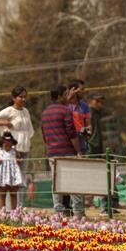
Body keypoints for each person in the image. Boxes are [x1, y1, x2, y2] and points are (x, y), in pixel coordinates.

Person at [0, 86, 34, 206]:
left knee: (21, 179)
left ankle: (19, 208)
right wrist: (5, 122)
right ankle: (9, 210)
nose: (23, 99)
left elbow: (29, 130)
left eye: (25, 97)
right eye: (20, 97)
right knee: (11, 180)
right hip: (12, 151)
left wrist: (28, 142)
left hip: (25, 149)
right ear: (14, 98)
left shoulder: (26, 111)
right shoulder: (9, 110)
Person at [41, 85, 84, 217]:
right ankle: (78, 212)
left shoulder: (45, 113)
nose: (68, 96)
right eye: (65, 94)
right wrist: (78, 151)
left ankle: (58, 211)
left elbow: (44, 135)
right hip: (66, 151)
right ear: (59, 96)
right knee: (73, 181)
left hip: (52, 152)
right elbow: (71, 133)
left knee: (56, 182)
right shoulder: (65, 111)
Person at [0, 132, 24, 211]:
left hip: (13, 175)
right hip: (2, 175)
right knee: (2, 194)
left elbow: (19, 159)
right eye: (6, 143)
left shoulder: (14, 150)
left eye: (10, 143)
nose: (8, 145)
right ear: (2, 143)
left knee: (13, 193)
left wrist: (19, 161)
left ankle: (14, 211)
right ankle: (3, 211)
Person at [66, 78, 91, 155]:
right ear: (74, 90)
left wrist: (87, 131)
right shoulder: (66, 105)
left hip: (82, 145)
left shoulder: (84, 105)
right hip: (68, 146)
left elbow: (88, 124)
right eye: (82, 89)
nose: (84, 91)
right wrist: (69, 97)